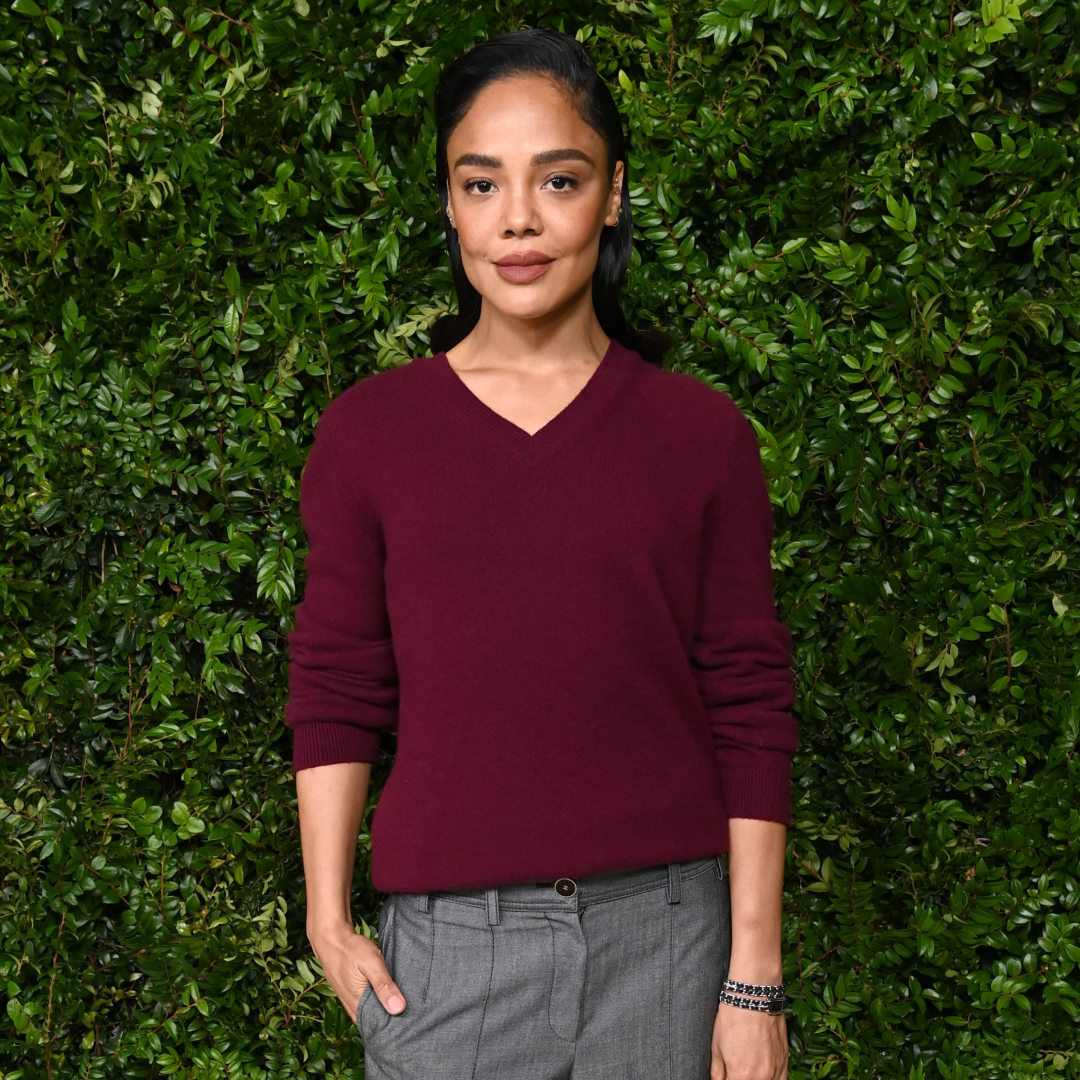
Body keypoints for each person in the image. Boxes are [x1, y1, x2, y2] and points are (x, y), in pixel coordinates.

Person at [286, 26, 799, 1080]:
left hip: (667, 945)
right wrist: (327, 919)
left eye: (557, 179)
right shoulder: (369, 434)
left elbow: (749, 695)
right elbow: (338, 679)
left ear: (612, 194)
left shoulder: (702, 438)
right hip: (448, 959)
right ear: (448, 202)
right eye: (481, 184)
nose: (517, 217)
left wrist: (753, 977)